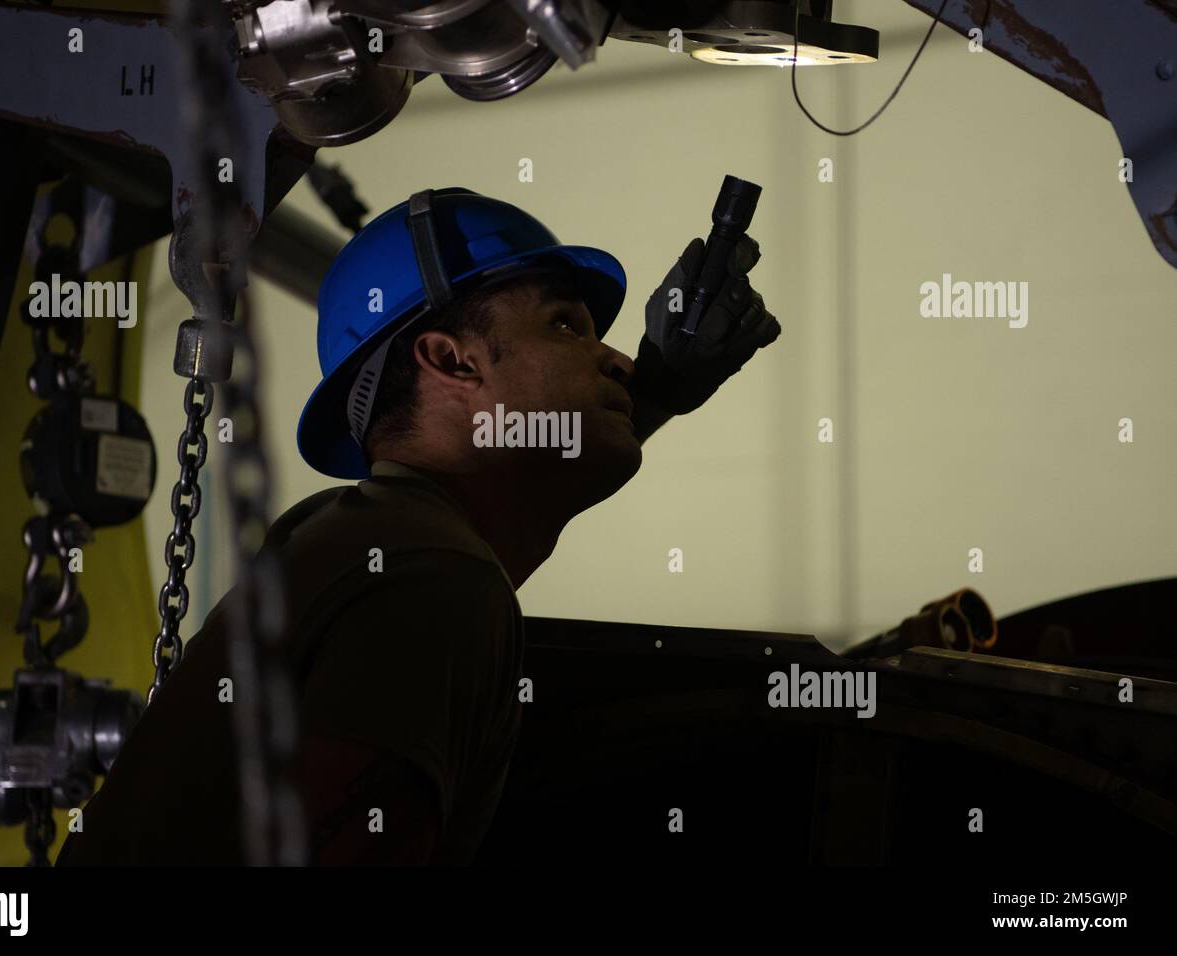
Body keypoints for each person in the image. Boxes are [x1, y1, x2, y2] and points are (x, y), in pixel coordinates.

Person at [55, 187, 779, 866]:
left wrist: (656, 392)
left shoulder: (359, 538)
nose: (620, 360)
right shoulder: (430, 580)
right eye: (565, 324)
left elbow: (505, 515)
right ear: (449, 360)